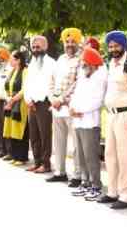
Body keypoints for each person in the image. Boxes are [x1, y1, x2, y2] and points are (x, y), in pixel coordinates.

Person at [96, 30, 127, 210]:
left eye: (116, 45)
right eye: (110, 46)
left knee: (125, 156)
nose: (113, 49)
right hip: (111, 114)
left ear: (123, 45)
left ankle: (126, 196)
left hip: (126, 114)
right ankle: (112, 191)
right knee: (110, 155)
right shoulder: (112, 63)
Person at [69, 47, 107, 200]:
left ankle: (96, 185)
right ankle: (85, 183)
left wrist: (80, 111)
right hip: (78, 121)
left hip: (90, 122)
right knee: (80, 156)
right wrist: (72, 109)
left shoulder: (100, 79)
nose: (83, 65)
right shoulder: (83, 77)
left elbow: (97, 101)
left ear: (93, 64)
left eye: (85, 62)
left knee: (91, 156)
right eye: (82, 62)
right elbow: (75, 95)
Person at [47, 27, 83, 187]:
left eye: (72, 41)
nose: (69, 44)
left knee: (75, 144)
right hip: (56, 107)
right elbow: (52, 81)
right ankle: (60, 172)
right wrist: (52, 98)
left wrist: (61, 99)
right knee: (58, 142)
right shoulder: (60, 59)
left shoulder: (81, 59)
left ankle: (77, 175)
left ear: (78, 42)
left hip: (71, 107)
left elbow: (77, 83)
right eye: (67, 42)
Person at [23, 35, 55, 173]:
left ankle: (46, 164)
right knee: (34, 135)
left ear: (45, 47)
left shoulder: (51, 63)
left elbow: (51, 84)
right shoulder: (32, 63)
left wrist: (42, 99)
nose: (36, 50)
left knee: (44, 135)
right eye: (34, 47)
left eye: (38, 47)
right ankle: (37, 162)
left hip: (44, 103)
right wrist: (28, 100)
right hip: (31, 103)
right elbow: (27, 83)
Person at [3, 50, 29, 165]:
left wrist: (12, 100)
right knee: (12, 130)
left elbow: (24, 89)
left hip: (20, 104)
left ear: (18, 60)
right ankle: (14, 155)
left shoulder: (25, 71)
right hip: (11, 103)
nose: (10, 61)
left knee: (20, 130)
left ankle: (22, 157)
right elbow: (7, 86)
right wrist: (8, 98)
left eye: (12, 59)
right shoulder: (12, 71)